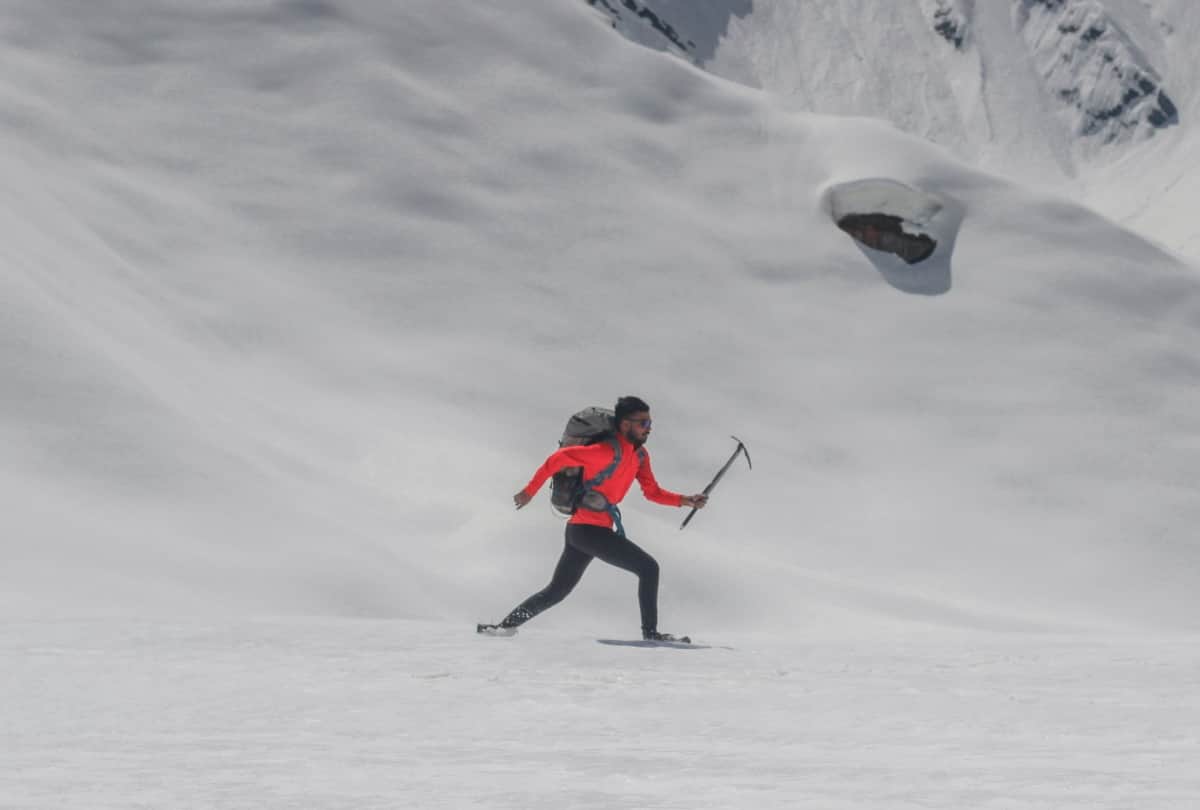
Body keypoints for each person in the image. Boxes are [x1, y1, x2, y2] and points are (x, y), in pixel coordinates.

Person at [479, 396, 708, 641]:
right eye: (643, 423)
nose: (649, 427)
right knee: (649, 568)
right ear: (624, 424)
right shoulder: (605, 451)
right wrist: (529, 491)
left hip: (582, 532)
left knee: (557, 590)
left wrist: (685, 500)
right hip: (588, 531)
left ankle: (503, 628)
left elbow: (652, 492)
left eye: (650, 422)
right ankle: (651, 634)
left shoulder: (640, 456)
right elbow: (557, 459)